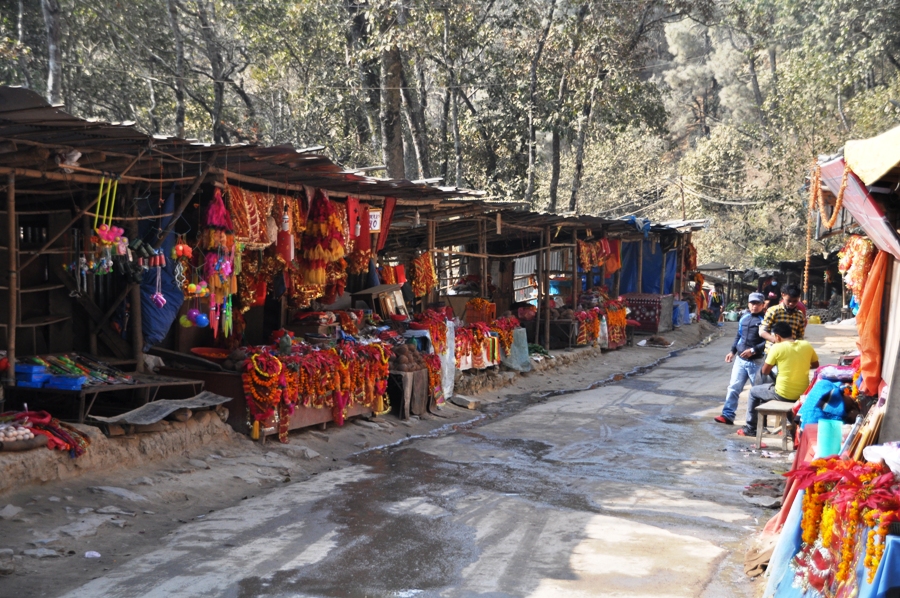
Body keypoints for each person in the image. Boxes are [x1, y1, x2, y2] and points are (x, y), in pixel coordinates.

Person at [737, 321, 819, 437]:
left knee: (753, 391)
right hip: (802, 393)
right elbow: (816, 365)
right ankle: (789, 426)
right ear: (792, 334)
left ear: (777, 337)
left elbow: (765, 371)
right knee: (768, 387)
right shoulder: (806, 345)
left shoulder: (777, 347)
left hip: (783, 394)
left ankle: (750, 427)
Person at [715, 293, 768, 425]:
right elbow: (738, 336)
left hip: (756, 362)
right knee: (733, 387)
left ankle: (758, 422)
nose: (754, 306)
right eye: (752, 303)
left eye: (757, 304)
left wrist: (753, 350)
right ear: (748, 304)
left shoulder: (765, 321)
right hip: (740, 361)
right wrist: (732, 351)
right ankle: (727, 415)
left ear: (762, 305)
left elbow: (768, 341)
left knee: (757, 392)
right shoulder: (744, 318)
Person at [759, 283, 806, 350]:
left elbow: (800, 336)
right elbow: (762, 331)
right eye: (789, 300)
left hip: (791, 351)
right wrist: (775, 340)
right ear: (783, 295)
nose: (791, 303)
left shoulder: (800, 315)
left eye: (795, 301)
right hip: (773, 350)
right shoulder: (773, 311)